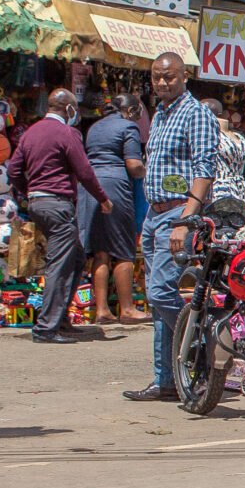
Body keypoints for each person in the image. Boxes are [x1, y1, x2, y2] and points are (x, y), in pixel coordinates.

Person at [125, 53, 216, 403]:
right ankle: (165, 380)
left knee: (161, 292)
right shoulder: (161, 113)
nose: (162, 83)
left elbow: (204, 168)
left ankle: (203, 346)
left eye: (169, 77)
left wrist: (185, 219)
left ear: (185, 77)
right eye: (157, 77)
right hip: (153, 213)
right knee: (157, 302)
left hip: (177, 214)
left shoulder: (196, 114)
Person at [7, 87, 114, 344]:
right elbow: (85, 170)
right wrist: (102, 198)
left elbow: (13, 171)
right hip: (58, 204)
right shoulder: (67, 133)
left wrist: (31, 191)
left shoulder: (31, 133)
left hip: (38, 203)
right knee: (60, 265)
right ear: (69, 109)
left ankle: (60, 319)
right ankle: (46, 327)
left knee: (76, 259)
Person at [83, 91, 150, 326]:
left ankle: (102, 310)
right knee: (124, 249)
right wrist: (148, 172)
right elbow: (133, 165)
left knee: (101, 251)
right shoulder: (128, 127)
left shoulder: (94, 128)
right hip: (115, 187)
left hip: (91, 188)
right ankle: (128, 309)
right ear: (131, 110)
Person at [206, 98, 245, 230]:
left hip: (240, 186)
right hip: (219, 186)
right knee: (224, 228)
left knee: (243, 228)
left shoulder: (238, 136)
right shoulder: (210, 135)